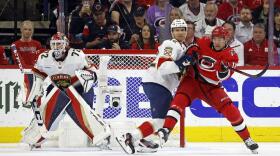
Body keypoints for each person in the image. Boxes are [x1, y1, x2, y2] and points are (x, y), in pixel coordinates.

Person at [156, 26, 259, 154]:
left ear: (226, 39)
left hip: (212, 87)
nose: (217, 41)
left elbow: (222, 77)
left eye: (220, 39)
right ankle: (166, 131)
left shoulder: (231, 56)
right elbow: (192, 48)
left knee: (232, 112)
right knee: (178, 102)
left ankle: (247, 139)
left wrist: (223, 69)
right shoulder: (203, 42)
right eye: (215, 38)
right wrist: (191, 52)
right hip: (192, 80)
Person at [20, 32, 111, 149]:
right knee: (51, 112)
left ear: (66, 44)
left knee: (86, 110)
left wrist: (80, 80)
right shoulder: (44, 57)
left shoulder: (78, 55)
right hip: (56, 88)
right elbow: (36, 77)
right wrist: (30, 93)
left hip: (80, 88)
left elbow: (93, 73)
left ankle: (99, 133)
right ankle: (37, 136)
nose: (56, 47)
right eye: (54, 44)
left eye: (59, 44)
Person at [116, 19, 191, 154]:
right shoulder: (170, 44)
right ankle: (130, 137)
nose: (180, 32)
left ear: (186, 32)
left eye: (183, 29)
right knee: (162, 122)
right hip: (158, 83)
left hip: (160, 84)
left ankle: (138, 140)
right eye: (177, 30)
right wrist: (182, 63)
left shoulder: (183, 47)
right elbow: (163, 67)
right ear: (172, 32)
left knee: (160, 121)